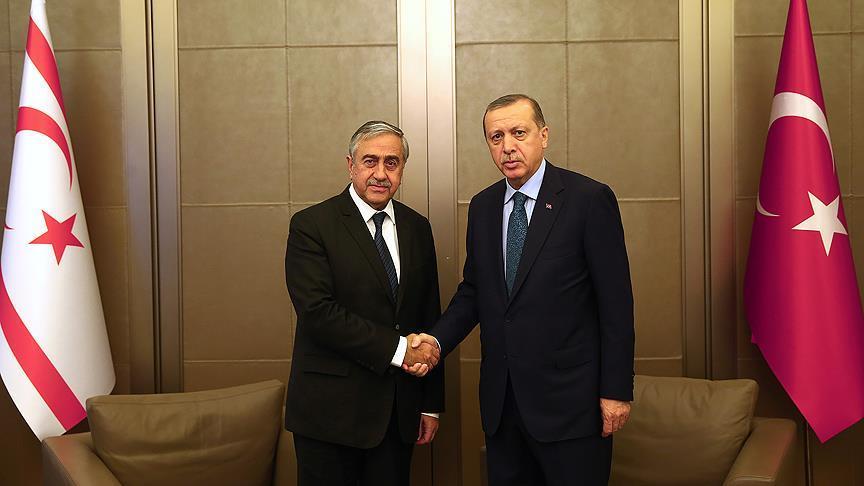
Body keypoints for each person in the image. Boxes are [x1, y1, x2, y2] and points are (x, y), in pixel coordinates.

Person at [408, 94, 635, 485]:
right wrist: (436, 341)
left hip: (571, 406)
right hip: (504, 407)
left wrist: (616, 391)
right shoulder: (483, 207)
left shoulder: (587, 200)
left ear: (543, 136)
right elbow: (475, 291)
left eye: (519, 133)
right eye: (496, 137)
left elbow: (616, 304)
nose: (508, 146)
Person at [284, 120, 444, 486]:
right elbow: (318, 313)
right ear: (351, 165)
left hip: (397, 414)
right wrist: (401, 350)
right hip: (329, 416)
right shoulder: (312, 225)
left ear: (402, 169)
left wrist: (430, 404)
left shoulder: (417, 227)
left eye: (392, 162)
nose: (381, 173)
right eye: (370, 161)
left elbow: (428, 314)